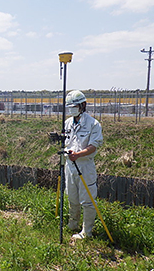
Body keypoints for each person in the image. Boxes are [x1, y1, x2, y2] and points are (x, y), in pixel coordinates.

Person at [64, 90, 103, 239]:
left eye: (74, 106)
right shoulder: (67, 122)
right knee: (72, 197)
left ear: (83, 105)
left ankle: (87, 232)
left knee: (87, 200)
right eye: (70, 107)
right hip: (70, 166)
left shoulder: (93, 124)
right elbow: (66, 141)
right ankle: (72, 224)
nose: (72, 109)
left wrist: (78, 155)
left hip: (85, 166)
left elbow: (93, 146)